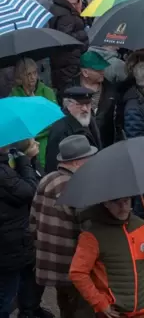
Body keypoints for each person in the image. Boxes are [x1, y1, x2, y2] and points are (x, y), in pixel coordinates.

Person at [30, 135, 98, 318]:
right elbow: (89, 231)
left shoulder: (48, 179)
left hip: (51, 266)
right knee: (82, 311)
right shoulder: (78, 186)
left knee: (65, 308)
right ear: (77, 162)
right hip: (74, 268)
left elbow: (33, 220)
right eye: (88, 159)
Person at [68, 197, 144, 318]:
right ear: (106, 203)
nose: (123, 207)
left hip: (143, 308)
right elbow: (77, 272)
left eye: (126, 201)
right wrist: (99, 302)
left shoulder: (139, 224)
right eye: (117, 202)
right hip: (115, 312)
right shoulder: (92, 235)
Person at [0, 138, 50, 318]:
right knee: (5, 295)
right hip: (9, 243)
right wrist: (25, 160)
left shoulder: (6, 163)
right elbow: (30, 191)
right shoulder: (4, 171)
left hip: (16, 238)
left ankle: (29, 310)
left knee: (18, 284)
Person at [10, 58, 57, 169]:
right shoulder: (13, 97)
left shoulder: (47, 92)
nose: (32, 78)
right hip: (24, 149)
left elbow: (53, 121)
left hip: (48, 143)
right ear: (20, 77)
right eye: (28, 74)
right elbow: (15, 127)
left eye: (35, 73)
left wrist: (32, 132)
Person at [46, 87, 102, 174]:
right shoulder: (60, 130)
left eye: (87, 104)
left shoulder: (90, 122)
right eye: (79, 105)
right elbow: (53, 166)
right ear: (68, 105)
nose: (85, 109)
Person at [49, 0, 88, 92]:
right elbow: (66, 37)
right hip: (68, 62)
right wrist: (84, 33)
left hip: (67, 61)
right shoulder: (64, 14)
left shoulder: (62, 8)